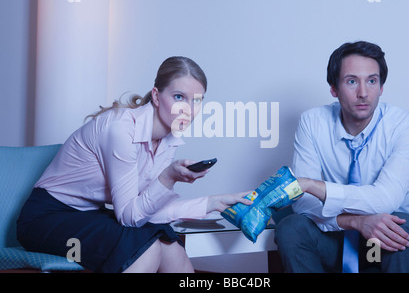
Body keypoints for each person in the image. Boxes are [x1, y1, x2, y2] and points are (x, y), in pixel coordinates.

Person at [17, 56, 252, 273]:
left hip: (89, 215)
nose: (188, 110)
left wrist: (212, 203)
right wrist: (168, 177)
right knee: (145, 247)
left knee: (168, 243)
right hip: (45, 220)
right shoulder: (121, 129)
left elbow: (146, 210)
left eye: (197, 101)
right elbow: (130, 216)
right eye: (179, 97)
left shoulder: (169, 140)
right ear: (157, 96)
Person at [275, 41, 409, 273]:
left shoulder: (405, 126)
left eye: (372, 81)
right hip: (340, 235)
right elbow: (303, 203)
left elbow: (385, 200)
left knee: (396, 231)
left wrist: (312, 185)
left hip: (399, 233)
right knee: (291, 226)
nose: (363, 93)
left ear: (381, 87)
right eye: (351, 81)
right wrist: (354, 222)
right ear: (334, 88)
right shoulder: (312, 122)